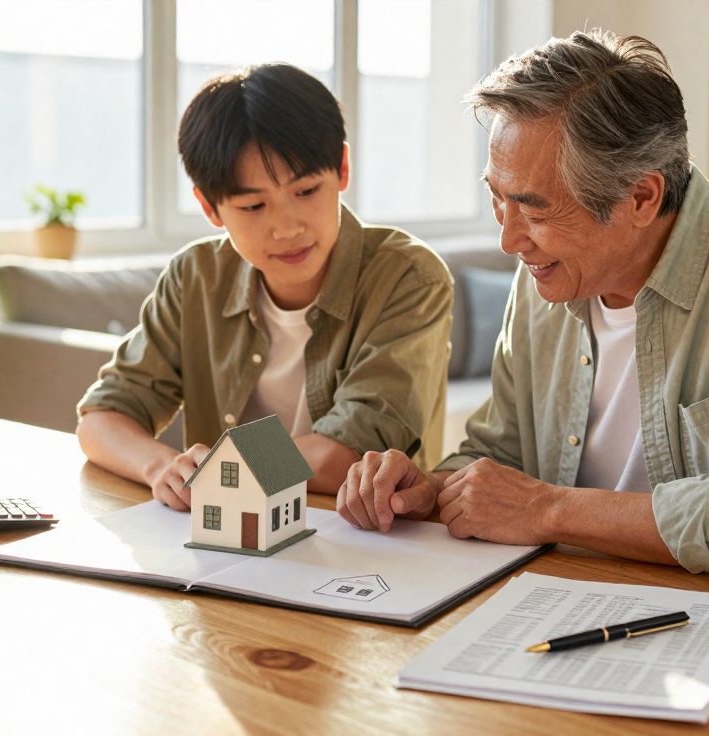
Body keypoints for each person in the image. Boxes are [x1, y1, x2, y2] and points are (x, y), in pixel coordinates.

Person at [336, 30, 709, 590]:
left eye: (533, 209)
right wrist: (433, 490)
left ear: (642, 198)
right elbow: (502, 454)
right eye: (497, 198)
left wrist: (550, 510)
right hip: (591, 600)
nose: (508, 240)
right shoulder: (545, 279)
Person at [78, 63, 452, 512]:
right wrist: (160, 466)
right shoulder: (195, 276)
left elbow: (345, 455)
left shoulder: (408, 277)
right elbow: (100, 419)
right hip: (231, 536)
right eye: (254, 205)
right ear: (210, 207)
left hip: (366, 538)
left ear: (342, 169)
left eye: (307, 191)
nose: (287, 228)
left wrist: (219, 471)